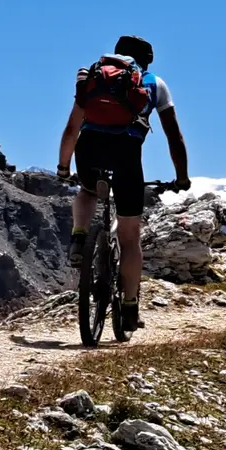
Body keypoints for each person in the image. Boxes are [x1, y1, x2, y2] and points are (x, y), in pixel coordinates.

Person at [56, 35, 190, 335]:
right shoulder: (154, 83)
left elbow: (71, 128)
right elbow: (174, 136)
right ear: (147, 60)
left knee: (87, 190)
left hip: (88, 150)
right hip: (127, 155)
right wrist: (181, 176)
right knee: (130, 238)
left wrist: (63, 167)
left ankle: (79, 235)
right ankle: (130, 306)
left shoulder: (92, 77)